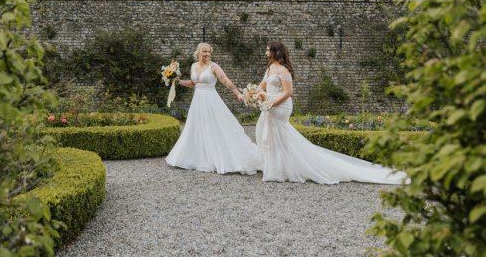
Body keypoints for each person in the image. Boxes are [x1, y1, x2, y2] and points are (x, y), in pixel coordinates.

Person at [255, 41, 406, 184]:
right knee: (268, 136)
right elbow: (262, 85)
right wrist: (252, 95)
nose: (265, 52)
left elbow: (288, 92)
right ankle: (275, 167)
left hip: (280, 106)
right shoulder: (269, 68)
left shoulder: (283, 70)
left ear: (275, 52)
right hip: (269, 106)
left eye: (268, 49)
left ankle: (283, 169)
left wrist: (272, 103)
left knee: (279, 134)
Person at [165, 43, 262, 174]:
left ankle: (223, 157)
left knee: (217, 127)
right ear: (198, 52)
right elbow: (194, 84)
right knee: (196, 128)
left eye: (209, 52)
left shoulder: (214, 66)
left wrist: (238, 94)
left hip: (211, 100)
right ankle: (198, 158)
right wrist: (178, 81)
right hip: (197, 102)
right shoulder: (193, 66)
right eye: (205, 51)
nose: (207, 54)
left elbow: (225, 80)